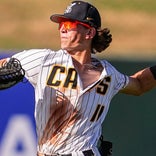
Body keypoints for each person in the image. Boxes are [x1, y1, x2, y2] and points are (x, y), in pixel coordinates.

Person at [0, 1, 156, 156]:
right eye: (60, 24)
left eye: (68, 24)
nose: (62, 29)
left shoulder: (108, 74)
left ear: (89, 33)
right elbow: (3, 65)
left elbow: (140, 84)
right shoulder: (43, 60)